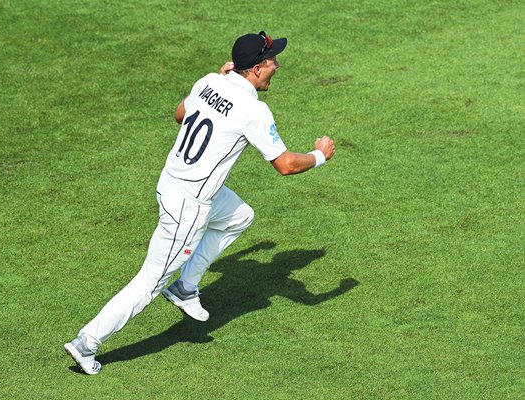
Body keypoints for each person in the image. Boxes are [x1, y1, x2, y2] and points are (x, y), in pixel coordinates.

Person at [64, 30, 336, 375]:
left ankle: (185, 286)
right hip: (190, 206)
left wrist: (216, 82)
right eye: (271, 61)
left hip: (170, 184)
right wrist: (320, 155)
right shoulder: (254, 110)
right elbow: (285, 165)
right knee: (149, 281)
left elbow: (180, 114)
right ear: (254, 69)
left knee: (240, 216)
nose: (277, 66)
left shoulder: (210, 79)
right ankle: (87, 341)